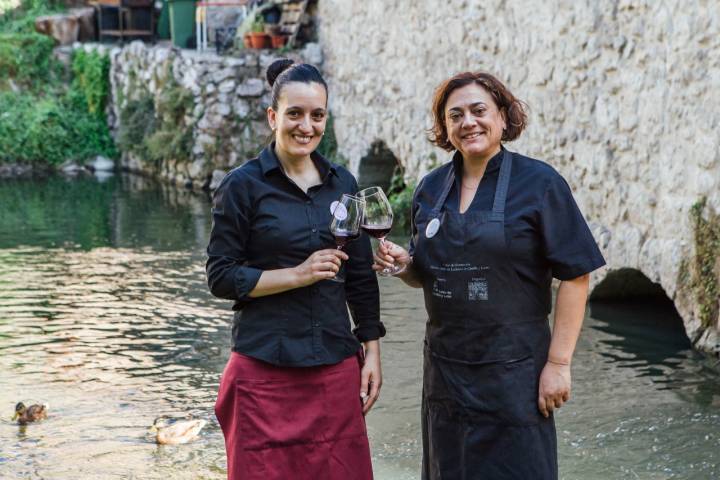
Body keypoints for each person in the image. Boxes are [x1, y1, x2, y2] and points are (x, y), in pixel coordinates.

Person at [375, 72, 606, 479]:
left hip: (514, 372)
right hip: (445, 372)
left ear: (503, 116)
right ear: (445, 128)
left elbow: (576, 275)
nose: (469, 122)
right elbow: (427, 272)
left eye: (479, 110)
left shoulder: (540, 184)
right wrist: (406, 266)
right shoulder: (430, 189)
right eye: (456, 115)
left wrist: (558, 363)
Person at [207, 59, 384, 480]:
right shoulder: (242, 186)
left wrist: (372, 349)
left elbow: (359, 274)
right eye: (295, 114)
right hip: (263, 369)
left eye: (317, 115)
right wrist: (298, 274)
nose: (307, 126)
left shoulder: (344, 183)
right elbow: (221, 276)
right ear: (273, 116)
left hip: (334, 368)